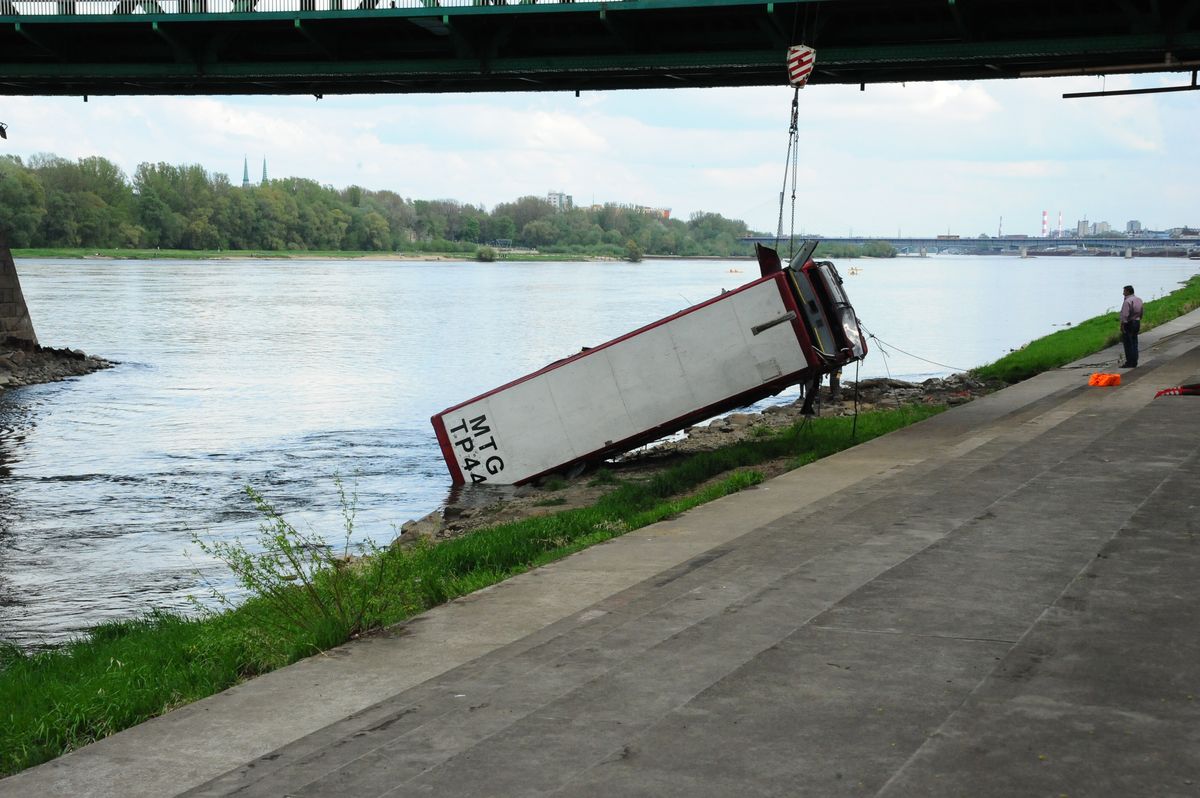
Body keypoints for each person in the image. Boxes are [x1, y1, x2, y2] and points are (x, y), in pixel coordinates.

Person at [1119, 284, 1144, 368]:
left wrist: (1122, 325)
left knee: (1128, 344)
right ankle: (1134, 361)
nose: (1123, 293)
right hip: (1137, 322)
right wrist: (1139, 318)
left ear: (1128, 291)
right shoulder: (1139, 299)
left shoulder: (1127, 301)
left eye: (1124, 291)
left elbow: (1125, 314)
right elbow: (1141, 311)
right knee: (1134, 342)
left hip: (1129, 323)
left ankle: (1129, 362)